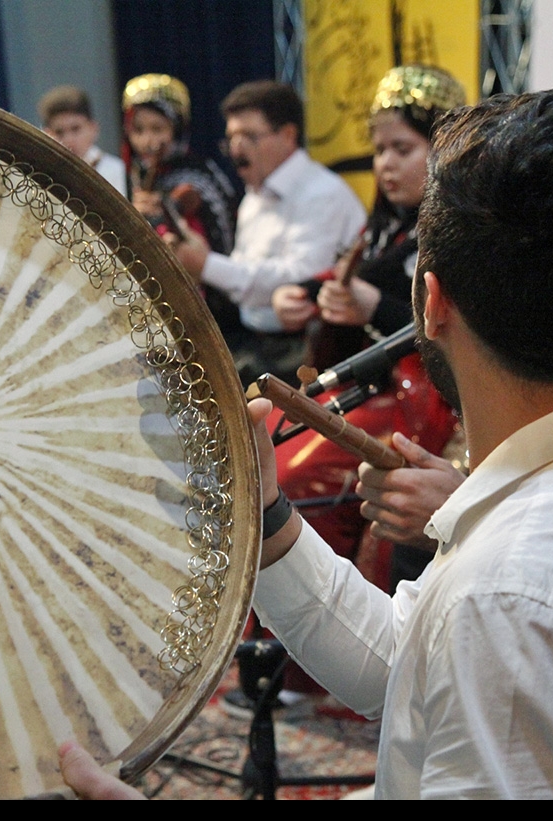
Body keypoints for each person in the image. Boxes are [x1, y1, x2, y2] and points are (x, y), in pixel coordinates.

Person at [62, 90, 553, 799]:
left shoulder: (511, 597)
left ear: (432, 301)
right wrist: (267, 515)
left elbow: (479, 634)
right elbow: (409, 656)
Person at [268, 65, 465, 590]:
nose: (385, 165)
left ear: (444, 149)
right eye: (380, 152)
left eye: (402, 149)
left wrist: (373, 305)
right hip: (375, 388)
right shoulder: (385, 229)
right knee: (262, 437)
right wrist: (307, 295)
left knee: (288, 475)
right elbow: (354, 274)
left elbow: (462, 328)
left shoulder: (460, 228)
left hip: (429, 406)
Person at [169, 80, 366, 384]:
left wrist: (206, 265)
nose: (236, 149)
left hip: (304, 355)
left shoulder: (322, 193)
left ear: (288, 135)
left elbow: (301, 278)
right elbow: (246, 272)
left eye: (248, 136)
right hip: (255, 344)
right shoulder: (254, 195)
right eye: (231, 138)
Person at [120, 73, 236, 258]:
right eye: (138, 130)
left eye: (157, 129)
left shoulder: (197, 173)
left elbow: (188, 200)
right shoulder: (134, 172)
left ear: (177, 129)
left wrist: (164, 206)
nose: (147, 140)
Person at [38, 85, 128, 197]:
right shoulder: (42, 174)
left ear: (93, 129)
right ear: (47, 134)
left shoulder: (116, 170)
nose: (68, 139)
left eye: (76, 129)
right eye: (59, 132)